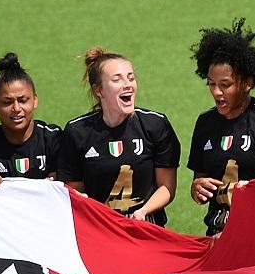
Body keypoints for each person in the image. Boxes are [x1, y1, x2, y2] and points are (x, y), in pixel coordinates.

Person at [184, 20, 255, 236]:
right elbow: (199, 179)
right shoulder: (205, 123)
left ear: (247, 83)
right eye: (211, 84)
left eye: (225, 85)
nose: (216, 92)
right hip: (216, 232)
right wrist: (197, 187)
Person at [59, 48, 181, 224]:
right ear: (99, 90)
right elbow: (75, 193)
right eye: (117, 79)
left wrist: (143, 212)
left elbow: (166, 186)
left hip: (146, 227)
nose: (128, 84)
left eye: (131, 78)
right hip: (100, 230)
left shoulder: (155, 125)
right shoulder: (77, 132)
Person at [0, 53, 62, 183]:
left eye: (23, 100)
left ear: (35, 100)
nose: (17, 108)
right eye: (7, 102)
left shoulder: (53, 139)